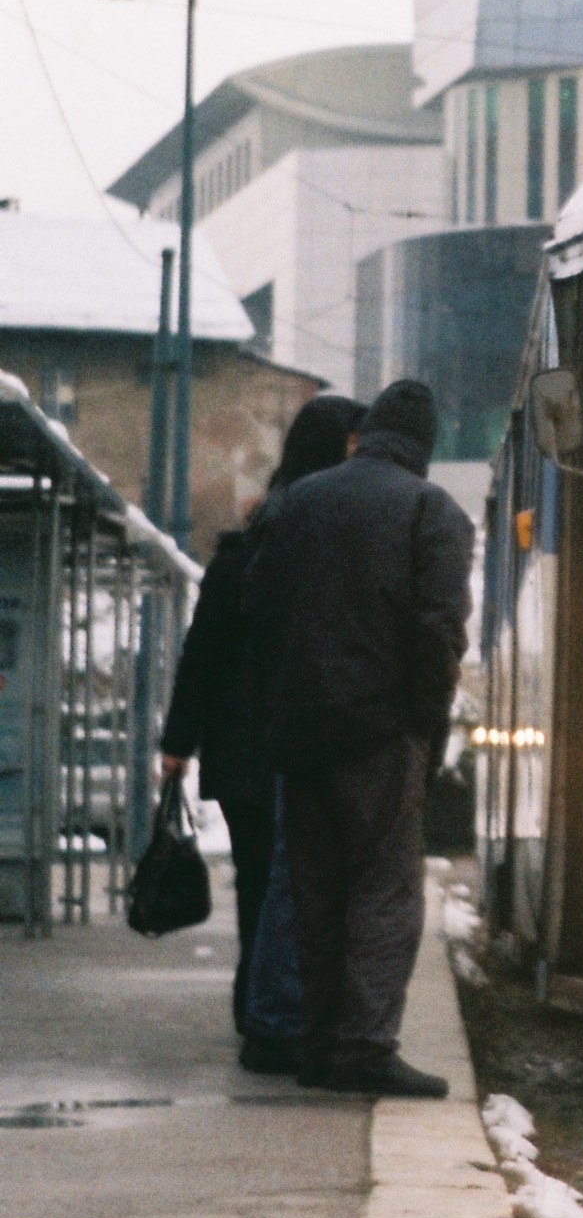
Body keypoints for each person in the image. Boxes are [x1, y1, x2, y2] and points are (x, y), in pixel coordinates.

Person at [247, 376, 473, 1096]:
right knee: (383, 893)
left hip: (301, 732)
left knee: (314, 894)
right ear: (424, 445)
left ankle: (316, 1047)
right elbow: (439, 636)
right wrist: (423, 729)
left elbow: (259, 610)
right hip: (379, 733)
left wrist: (286, 698)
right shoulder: (430, 512)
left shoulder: (301, 499)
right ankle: (365, 1051)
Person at [158, 392, 364, 1042]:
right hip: (270, 743)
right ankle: (270, 1008)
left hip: (252, 743)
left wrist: (180, 741)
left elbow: (202, 653)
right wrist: (177, 741)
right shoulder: (297, 545)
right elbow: (206, 653)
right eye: (353, 445)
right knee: (285, 881)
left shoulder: (249, 545)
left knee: (264, 883)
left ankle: (261, 1005)